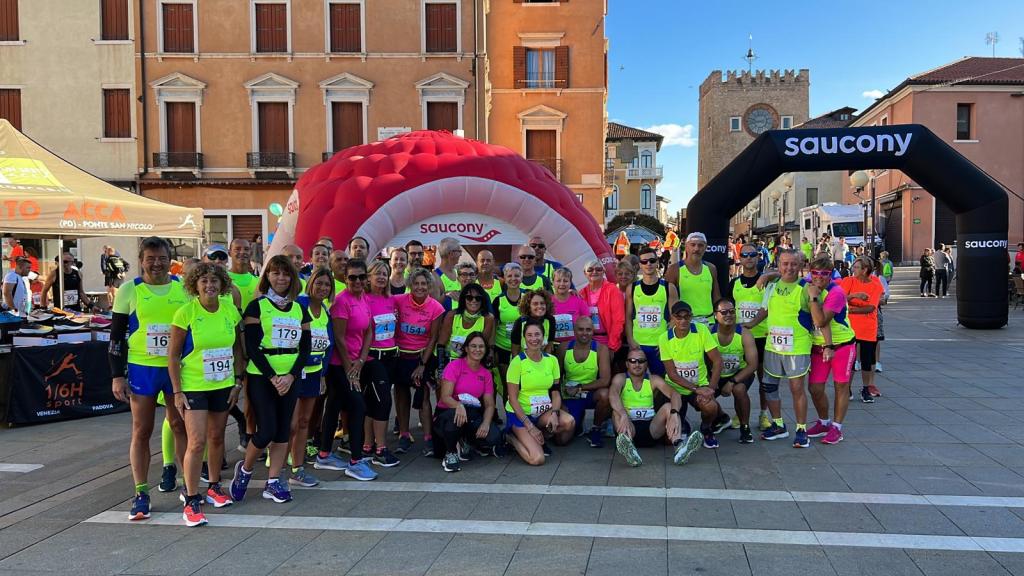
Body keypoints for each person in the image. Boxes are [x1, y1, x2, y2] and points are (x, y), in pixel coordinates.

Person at [109, 237, 191, 521]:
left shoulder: (183, 288)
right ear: (141, 260)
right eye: (151, 259)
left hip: (177, 368)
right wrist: (117, 375)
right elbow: (116, 337)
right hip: (143, 367)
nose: (157, 264)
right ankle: (141, 492)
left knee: (180, 425)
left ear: (170, 260)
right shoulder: (129, 289)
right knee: (142, 430)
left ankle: (189, 486)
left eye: (162, 258)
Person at [230, 255, 312, 504]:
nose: (281, 278)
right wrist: (274, 377)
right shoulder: (257, 306)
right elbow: (252, 348)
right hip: (262, 376)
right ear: (267, 277)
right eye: (276, 273)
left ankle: (274, 481)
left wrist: (291, 376)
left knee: (283, 429)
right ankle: (245, 470)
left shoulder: (299, 309)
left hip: (290, 376)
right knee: (266, 429)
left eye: (286, 273)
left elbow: (305, 348)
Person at [167, 263, 243, 526]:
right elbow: (173, 356)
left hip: (223, 384)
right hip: (194, 386)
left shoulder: (230, 310)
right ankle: (190, 498)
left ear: (222, 284)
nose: (209, 285)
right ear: (195, 285)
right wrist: (177, 391)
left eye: (214, 281)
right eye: (204, 281)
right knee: (197, 442)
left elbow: (238, 349)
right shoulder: (185, 313)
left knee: (217, 438)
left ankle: (213, 486)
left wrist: (237, 382)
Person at [312, 258, 378, 481]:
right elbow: (339, 339)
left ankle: (324, 454)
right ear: (345, 279)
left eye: (361, 277)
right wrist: (351, 369)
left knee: (333, 406)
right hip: (338, 365)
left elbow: (369, 331)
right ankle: (355, 462)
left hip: (355, 362)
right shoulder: (342, 301)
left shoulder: (364, 298)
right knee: (358, 407)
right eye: (352, 277)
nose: (357, 281)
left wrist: (361, 360)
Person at [753, 249, 814, 446]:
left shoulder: (806, 288)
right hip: (773, 346)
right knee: (769, 386)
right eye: (785, 263)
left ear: (801, 265)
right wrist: (748, 325)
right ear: (778, 265)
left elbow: (818, 315)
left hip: (797, 347)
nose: (789, 268)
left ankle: (801, 429)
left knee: (796, 388)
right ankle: (778, 425)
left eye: (794, 264)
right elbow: (764, 310)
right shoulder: (771, 286)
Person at [610, 347, 699, 467]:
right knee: (616, 412)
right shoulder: (620, 378)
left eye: (641, 361)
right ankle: (630, 451)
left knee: (669, 407)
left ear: (646, 364)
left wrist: (674, 413)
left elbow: (675, 394)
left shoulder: (653, 379)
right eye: (632, 361)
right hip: (629, 428)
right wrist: (623, 414)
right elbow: (613, 395)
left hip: (651, 429)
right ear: (627, 364)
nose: (637, 364)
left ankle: (679, 447)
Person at [803, 256, 857, 447]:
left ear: (831, 274)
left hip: (842, 345)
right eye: (815, 273)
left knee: (841, 386)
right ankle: (824, 422)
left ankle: (837, 427)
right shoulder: (808, 284)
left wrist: (813, 297)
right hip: (818, 347)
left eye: (824, 273)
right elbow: (786, 276)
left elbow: (820, 321)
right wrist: (766, 276)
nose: (819, 277)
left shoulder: (836, 292)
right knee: (815, 388)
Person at [288, 266, 335, 489]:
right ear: (310, 284)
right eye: (319, 283)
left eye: (327, 285)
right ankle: (276, 466)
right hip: (294, 372)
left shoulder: (325, 312)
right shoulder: (299, 304)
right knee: (290, 423)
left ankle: (297, 469)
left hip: (314, 373)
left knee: (304, 422)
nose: (323, 288)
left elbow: (328, 346)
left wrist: (323, 374)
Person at [505, 320, 575, 465]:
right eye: (529, 335)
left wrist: (555, 413)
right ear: (524, 338)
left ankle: (541, 435)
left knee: (569, 422)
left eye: (537, 334)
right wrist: (529, 426)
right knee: (537, 459)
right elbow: (512, 399)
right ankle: (511, 439)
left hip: (543, 412)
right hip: (521, 415)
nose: (534, 339)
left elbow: (555, 392)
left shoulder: (552, 360)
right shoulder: (517, 362)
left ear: (543, 337)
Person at [659, 301, 726, 449]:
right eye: (679, 317)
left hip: (700, 383)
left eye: (687, 316)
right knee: (669, 437)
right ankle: (683, 422)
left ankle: (707, 428)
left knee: (710, 406)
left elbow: (717, 361)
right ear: (672, 318)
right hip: (676, 388)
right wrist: (697, 389)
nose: (683, 320)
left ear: (691, 317)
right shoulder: (664, 338)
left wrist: (710, 388)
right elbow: (672, 374)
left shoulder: (701, 330)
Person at [432, 331, 503, 471]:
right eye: (473, 346)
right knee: (455, 417)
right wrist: (458, 405)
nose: (477, 350)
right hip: (447, 412)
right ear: (466, 348)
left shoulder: (486, 373)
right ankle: (451, 453)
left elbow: (489, 404)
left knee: (493, 437)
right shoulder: (454, 366)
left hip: (471, 413)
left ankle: (467, 441)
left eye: (481, 346)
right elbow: (445, 396)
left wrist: (486, 423)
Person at [392, 268, 445, 455]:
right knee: (401, 395)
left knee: (423, 397)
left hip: (422, 356)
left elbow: (433, 338)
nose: (420, 287)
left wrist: (422, 364)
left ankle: (428, 438)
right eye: (416, 283)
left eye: (423, 284)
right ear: (410, 285)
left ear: (429, 285)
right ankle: (404, 435)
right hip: (400, 355)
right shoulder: (398, 300)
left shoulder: (436, 308)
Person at [363, 260, 401, 467]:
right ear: (368, 277)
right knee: (383, 401)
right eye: (377, 273)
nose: (381, 277)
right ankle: (381, 448)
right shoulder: (364, 299)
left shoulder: (391, 300)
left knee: (375, 401)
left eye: (384, 274)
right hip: (372, 357)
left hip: (390, 356)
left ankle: (368, 446)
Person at [729, 244, 770, 431]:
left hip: (762, 336)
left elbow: (782, 275)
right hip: (741, 339)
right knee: (739, 380)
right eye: (744, 255)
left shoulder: (766, 281)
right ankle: (740, 414)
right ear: (740, 258)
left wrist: (768, 275)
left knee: (764, 380)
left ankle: (764, 414)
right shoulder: (734, 283)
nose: (749, 258)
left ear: (758, 257)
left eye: (753, 254)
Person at [557, 317, 611, 447]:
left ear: (593, 331)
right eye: (581, 329)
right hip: (569, 395)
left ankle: (596, 428)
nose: (584, 333)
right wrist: (559, 403)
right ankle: (578, 422)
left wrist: (580, 387)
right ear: (574, 330)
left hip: (589, 393)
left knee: (606, 395)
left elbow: (605, 380)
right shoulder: (564, 347)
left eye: (588, 330)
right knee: (562, 440)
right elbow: (556, 378)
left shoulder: (601, 349)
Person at [711, 298, 758, 444]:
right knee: (703, 396)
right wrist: (711, 382)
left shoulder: (744, 334)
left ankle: (745, 427)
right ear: (715, 315)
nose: (729, 315)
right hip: (717, 373)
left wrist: (732, 382)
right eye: (724, 312)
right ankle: (720, 418)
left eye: (732, 311)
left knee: (739, 390)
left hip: (739, 373)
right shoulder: (708, 333)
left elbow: (753, 365)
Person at [625, 246, 678, 376]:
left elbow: (675, 318)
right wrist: (630, 340)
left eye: (652, 261)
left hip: (659, 346)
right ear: (639, 265)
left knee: (660, 380)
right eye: (644, 261)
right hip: (638, 344)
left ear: (657, 262)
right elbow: (628, 317)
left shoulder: (669, 288)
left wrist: (666, 341)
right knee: (637, 381)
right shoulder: (632, 288)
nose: (648, 264)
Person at [840, 256, 885, 404]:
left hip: (867, 328)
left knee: (867, 360)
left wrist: (850, 309)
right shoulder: (848, 281)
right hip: (849, 328)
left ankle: (866, 388)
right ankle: (847, 388)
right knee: (851, 360)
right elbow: (839, 299)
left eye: (856, 267)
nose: (853, 269)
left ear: (865, 270)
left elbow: (871, 307)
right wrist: (854, 296)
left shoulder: (875, 285)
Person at [666, 232, 721, 326]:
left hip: (708, 322)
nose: (696, 249)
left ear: (705, 247)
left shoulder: (711, 268)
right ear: (686, 247)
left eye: (700, 245)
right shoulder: (675, 269)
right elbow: (667, 298)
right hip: (685, 323)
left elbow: (716, 297)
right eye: (693, 245)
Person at [440, 283, 495, 364]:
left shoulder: (488, 318)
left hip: (473, 361)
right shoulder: (452, 315)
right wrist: (441, 367)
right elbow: (441, 344)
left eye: (478, 298)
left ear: (482, 300)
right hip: (451, 360)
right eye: (469, 298)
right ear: (463, 299)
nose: (474, 301)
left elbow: (481, 346)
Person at [492, 263, 524, 382]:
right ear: (504, 279)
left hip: (524, 348)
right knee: (507, 383)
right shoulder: (498, 300)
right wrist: (491, 348)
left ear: (521, 278)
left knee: (522, 384)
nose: (513, 279)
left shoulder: (528, 297)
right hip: (503, 348)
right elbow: (493, 325)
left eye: (517, 276)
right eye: (509, 276)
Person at [550, 268, 589, 352]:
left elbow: (587, 323)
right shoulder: (547, 302)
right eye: (558, 281)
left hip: (574, 347)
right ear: (553, 282)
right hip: (552, 347)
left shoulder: (579, 301)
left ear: (570, 283)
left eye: (565, 281)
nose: (562, 284)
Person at [510, 289, 556, 357]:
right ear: (529, 307)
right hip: (522, 361)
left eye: (542, 303)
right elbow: (515, 352)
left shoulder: (551, 320)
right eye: (535, 304)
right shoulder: (519, 323)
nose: (539, 306)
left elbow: (549, 348)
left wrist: (545, 362)